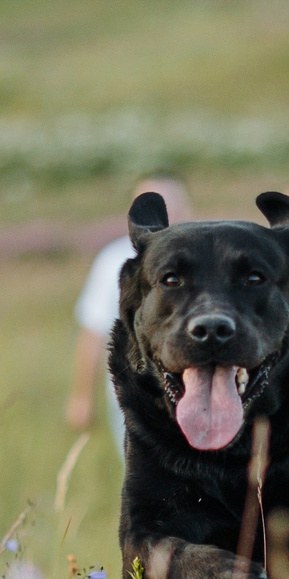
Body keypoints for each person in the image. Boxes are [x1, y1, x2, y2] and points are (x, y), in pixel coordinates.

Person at [67, 176, 193, 457]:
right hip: (138, 398)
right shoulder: (114, 261)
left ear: (187, 208)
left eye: (169, 203)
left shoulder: (210, 254)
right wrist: (82, 397)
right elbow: (94, 331)